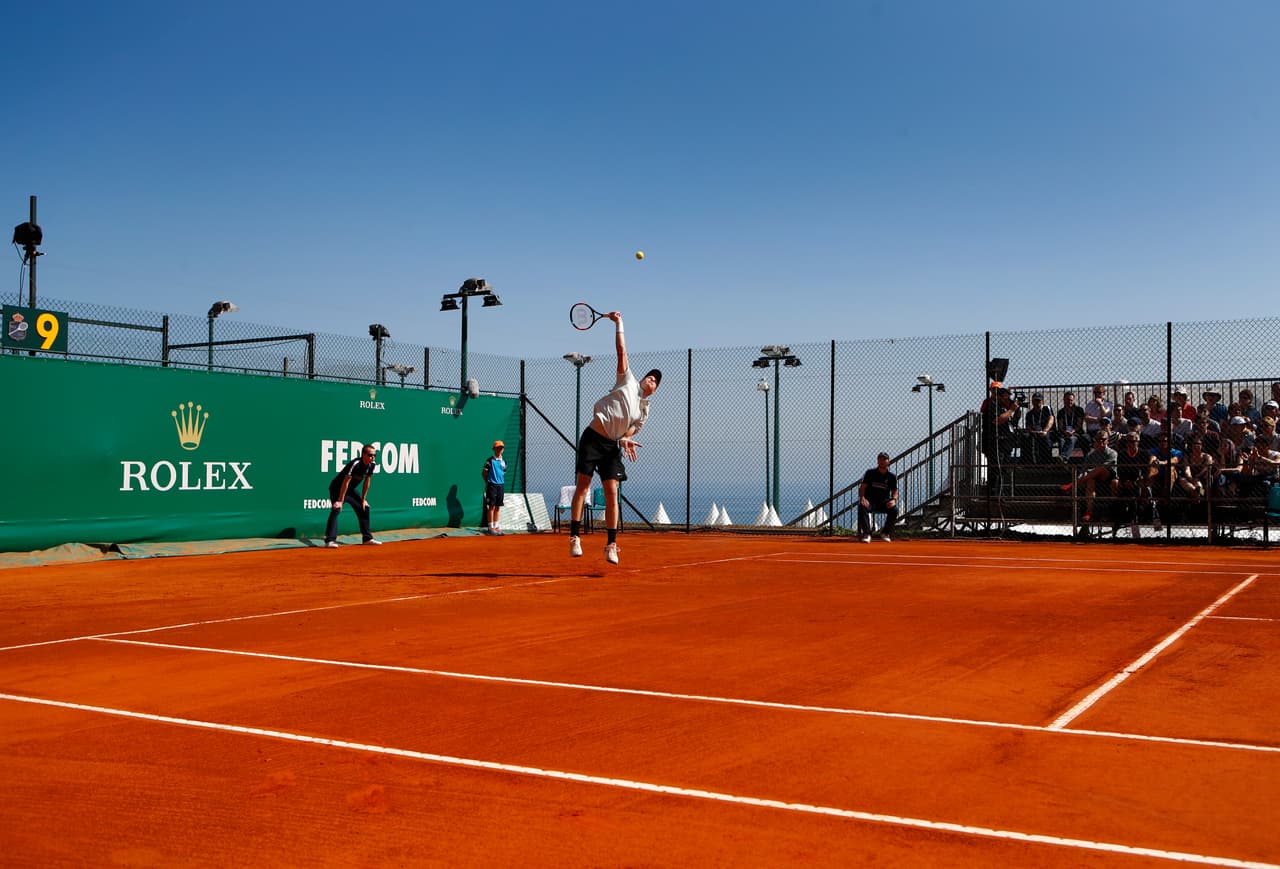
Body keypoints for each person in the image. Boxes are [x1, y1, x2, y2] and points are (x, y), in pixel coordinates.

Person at [567, 311, 661, 565]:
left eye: (655, 382)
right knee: (583, 486)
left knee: (612, 492)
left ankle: (611, 544)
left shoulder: (645, 409)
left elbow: (632, 429)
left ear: (655, 391)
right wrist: (619, 323)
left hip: (611, 447)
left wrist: (626, 438)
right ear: (643, 378)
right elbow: (621, 349)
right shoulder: (627, 379)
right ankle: (574, 537)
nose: (651, 380)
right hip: (592, 438)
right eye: (650, 376)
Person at [325, 443, 381, 548]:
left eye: (374, 455)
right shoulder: (355, 464)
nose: (372, 457)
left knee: (364, 508)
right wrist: (340, 501)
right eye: (370, 455)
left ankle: (367, 538)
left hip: (350, 491)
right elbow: (345, 482)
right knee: (336, 508)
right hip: (337, 489)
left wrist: (363, 499)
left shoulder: (371, 465)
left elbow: (367, 482)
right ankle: (330, 541)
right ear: (363, 454)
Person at [1061, 431, 1117, 522]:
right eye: (1098, 440)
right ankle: (1089, 512)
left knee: (1100, 468)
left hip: (1108, 476)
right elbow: (1083, 470)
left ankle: (1072, 485)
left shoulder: (1112, 453)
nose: (1101, 442)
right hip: (1094, 477)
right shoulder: (1091, 454)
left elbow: (1106, 467)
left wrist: (1087, 473)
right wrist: (1082, 476)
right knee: (1090, 481)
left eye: (1104, 439)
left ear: (1107, 440)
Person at [981, 383, 1021, 493]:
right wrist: (1012, 410)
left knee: (1003, 469)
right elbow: (997, 420)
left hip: (1006, 442)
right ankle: (993, 492)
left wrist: (1016, 411)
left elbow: (1011, 421)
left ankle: (1000, 491)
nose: (1008, 399)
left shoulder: (1004, 407)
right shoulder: (992, 405)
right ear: (999, 396)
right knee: (995, 469)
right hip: (995, 442)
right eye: (1005, 397)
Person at [858, 452, 899, 543]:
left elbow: (895, 492)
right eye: (880, 459)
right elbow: (862, 488)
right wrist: (862, 498)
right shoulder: (870, 473)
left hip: (884, 502)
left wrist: (894, 500)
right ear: (877, 461)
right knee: (862, 506)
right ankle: (867, 534)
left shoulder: (891, 477)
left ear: (888, 461)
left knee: (894, 510)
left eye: (884, 459)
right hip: (870, 502)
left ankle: (885, 533)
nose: (882, 461)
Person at [481, 440, 507, 535]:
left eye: (501, 448)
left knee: (498, 507)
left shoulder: (504, 462)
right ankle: (490, 527)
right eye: (498, 448)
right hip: (492, 485)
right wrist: (488, 482)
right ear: (494, 449)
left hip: (501, 486)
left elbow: (503, 473)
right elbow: (484, 473)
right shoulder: (489, 461)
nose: (500, 449)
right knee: (491, 506)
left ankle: (496, 526)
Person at [1023, 392, 1055, 464]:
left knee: (1045, 437)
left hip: (1048, 432)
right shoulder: (1029, 413)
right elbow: (1028, 427)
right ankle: (1028, 462)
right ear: (1032, 401)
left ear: (1042, 401)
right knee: (1026, 436)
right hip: (1035, 433)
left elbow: (1051, 419)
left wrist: (1045, 431)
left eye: (1039, 400)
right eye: (1035, 400)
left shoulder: (1046, 408)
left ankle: (1047, 462)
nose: (1037, 402)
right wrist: (1033, 432)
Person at [1057, 391, 1086, 462]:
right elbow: (1060, 426)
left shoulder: (1079, 410)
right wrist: (1065, 432)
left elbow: (1079, 425)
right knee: (1061, 440)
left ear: (1074, 400)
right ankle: (1064, 462)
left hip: (1076, 433)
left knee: (1072, 439)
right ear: (1064, 400)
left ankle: (1063, 457)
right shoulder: (1061, 412)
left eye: (1071, 400)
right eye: (1067, 400)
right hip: (1064, 433)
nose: (1069, 402)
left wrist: (1072, 431)